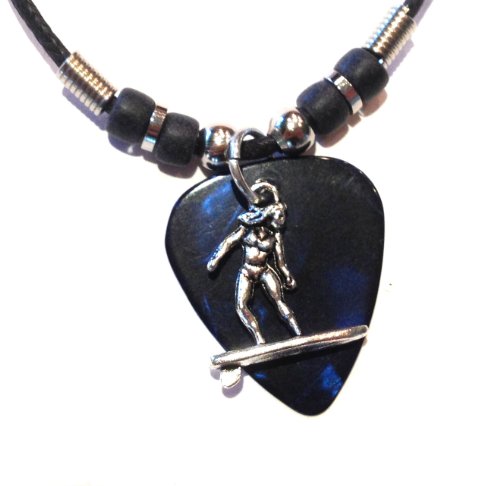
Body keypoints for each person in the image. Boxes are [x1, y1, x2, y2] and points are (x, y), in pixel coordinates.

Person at [207, 181, 301, 344]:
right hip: (247, 271)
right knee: (241, 306)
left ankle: (298, 333)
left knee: (279, 300)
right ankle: (259, 340)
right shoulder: (246, 229)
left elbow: (280, 261)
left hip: (264, 270)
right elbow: (229, 242)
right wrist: (216, 259)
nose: (282, 220)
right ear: (269, 214)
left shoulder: (275, 236)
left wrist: (287, 276)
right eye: (280, 216)